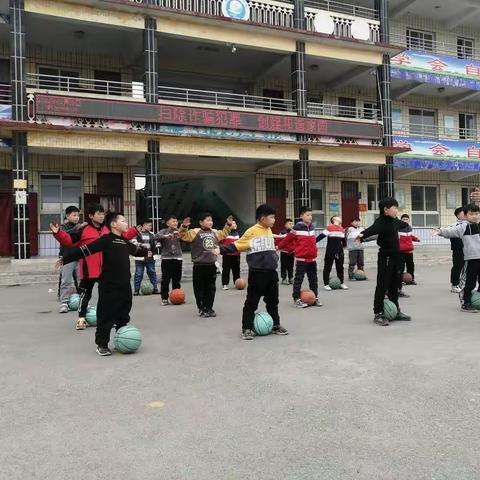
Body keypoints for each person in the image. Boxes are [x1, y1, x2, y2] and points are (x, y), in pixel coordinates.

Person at [56, 212, 148, 356]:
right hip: (109, 285)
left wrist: (148, 251)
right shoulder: (105, 240)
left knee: (124, 314)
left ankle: (120, 338)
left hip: (124, 285)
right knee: (106, 315)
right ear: (113, 224)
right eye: (123, 221)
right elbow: (85, 250)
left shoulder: (124, 241)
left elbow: (137, 251)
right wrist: (65, 259)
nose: (126, 224)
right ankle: (102, 344)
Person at [50, 203, 139, 330]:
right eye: (98, 214)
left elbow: (122, 238)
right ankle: (81, 318)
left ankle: (112, 318)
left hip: (106, 270)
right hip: (88, 269)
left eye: (103, 213)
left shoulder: (108, 229)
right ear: (91, 216)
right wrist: (58, 233)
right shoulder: (83, 230)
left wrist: (135, 230)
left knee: (110, 297)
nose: (101, 216)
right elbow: (69, 240)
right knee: (85, 295)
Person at [217, 204, 288, 340]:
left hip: (272, 273)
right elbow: (237, 245)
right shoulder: (251, 232)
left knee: (273, 301)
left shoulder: (268, 230)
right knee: (252, 302)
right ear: (262, 218)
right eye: (271, 217)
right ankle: (247, 328)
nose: (274, 220)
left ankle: (275, 325)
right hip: (257, 273)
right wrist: (220, 250)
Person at [357, 197, 411, 326]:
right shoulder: (381, 221)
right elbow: (373, 229)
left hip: (396, 257)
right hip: (385, 257)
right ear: (386, 210)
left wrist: (405, 223)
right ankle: (378, 313)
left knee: (394, 285)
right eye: (395, 208)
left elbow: (403, 225)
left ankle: (396, 310)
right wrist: (362, 234)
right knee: (383, 285)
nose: (397, 210)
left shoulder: (395, 221)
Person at [179, 213, 232, 317]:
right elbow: (182, 235)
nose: (210, 222)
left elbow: (224, 233)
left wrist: (228, 225)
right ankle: (202, 308)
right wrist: (184, 226)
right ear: (201, 222)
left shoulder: (215, 232)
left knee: (211, 288)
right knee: (199, 289)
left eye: (211, 220)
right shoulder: (195, 232)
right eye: (207, 220)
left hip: (211, 265)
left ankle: (209, 308)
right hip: (199, 265)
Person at [434, 204, 480, 313]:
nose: (474, 216)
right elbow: (451, 231)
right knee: (470, 282)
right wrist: (440, 231)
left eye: (477, 213)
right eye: (471, 214)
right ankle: (466, 303)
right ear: (465, 215)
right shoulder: (463, 226)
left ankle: (476, 298)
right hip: (471, 259)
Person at [276, 207, 322, 308]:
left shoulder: (312, 227)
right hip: (302, 260)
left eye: (311, 215)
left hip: (312, 259)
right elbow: (287, 239)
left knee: (313, 279)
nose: (310, 217)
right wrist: (278, 247)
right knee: (298, 279)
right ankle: (296, 298)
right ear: (301, 216)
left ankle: (315, 297)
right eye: (308, 215)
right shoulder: (296, 228)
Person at [57, 206, 81, 314]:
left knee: (81, 280)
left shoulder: (79, 227)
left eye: (78, 215)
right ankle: (64, 303)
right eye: (74, 215)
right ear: (67, 216)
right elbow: (65, 235)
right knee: (66, 280)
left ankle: (82, 301)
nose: (77, 218)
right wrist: (77, 229)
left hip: (79, 255)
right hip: (67, 257)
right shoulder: (63, 227)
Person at [156, 215, 183, 306]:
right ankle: (164, 298)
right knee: (166, 279)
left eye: (176, 221)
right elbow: (155, 237)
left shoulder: (179, 231)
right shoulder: (163, 231)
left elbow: (187, 239)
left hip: (178, 257)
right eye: (173, 221)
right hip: (167, 258)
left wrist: (180, 236)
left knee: (177, 279)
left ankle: (177, 297)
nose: (175, 223)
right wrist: (165, 236)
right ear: (167, 223)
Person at [317, 215, 348, 291]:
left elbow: (343, 240)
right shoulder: (329, 228)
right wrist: (313, 242)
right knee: (328, 267)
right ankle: (326, 284)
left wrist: (344, 245)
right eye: (338, 217)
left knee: (340, 267)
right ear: (334, 220)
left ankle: (341, 283)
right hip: (330, 251)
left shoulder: (341, 229)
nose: (340, 218)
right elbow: (321, 236)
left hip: (339, 251)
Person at [132, 220, 159, 296]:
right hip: (140, 257)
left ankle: (155, 288)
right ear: (144, 225)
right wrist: (141, 245)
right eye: (149, 225)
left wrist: (156, 244)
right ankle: (136, 290)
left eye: (151, 226)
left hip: (150, 257)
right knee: (138, 273)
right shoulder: (137, 233)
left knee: (152, 272)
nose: (150, 227)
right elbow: (133, 242)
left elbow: (156, 244)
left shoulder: (152, 234)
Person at [398, 214, 420, 294]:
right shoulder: (398, 228)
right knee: (401, 267)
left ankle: (411, 279)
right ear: (401, 220)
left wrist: (416, 239)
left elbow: (410, 237)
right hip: (401, 252)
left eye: (407, 219)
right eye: (403, 219)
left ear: (409, 220)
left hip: (409, 251)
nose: (405, 220)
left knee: (411, 265)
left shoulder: (409, 228)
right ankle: (401, 280)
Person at [220, 218, 241, 290]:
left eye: (235, 223)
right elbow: (221, 242)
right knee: (226, 270)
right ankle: (225, 284)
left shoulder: (238, 234)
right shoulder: (225, 233)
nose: (235, 225)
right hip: (227, 255)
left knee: (236, 270)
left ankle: (237, 283)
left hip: (236, 255)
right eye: (233, 223)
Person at [450, 207, 465, 294]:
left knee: (465, 267)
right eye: (464, 213)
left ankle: (462, 284)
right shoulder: (454, 226)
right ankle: (454, 284)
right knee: (457, 266)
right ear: (458, 215)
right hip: (458, 249)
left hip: (468, 249)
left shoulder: (468, 224)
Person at [345, 217, 364, 281]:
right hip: (352, 249)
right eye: (355, 221)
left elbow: (364, 237)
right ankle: (351, 276)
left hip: (360, 248)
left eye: (358, 221)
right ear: (351, 223)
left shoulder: (362, 229)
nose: (357, 223)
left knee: (361, 263)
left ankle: (362, 275)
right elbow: (346, 237)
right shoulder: (349, 229)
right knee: (352, 263)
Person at [279, 218, 295, 285]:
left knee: (291, 266)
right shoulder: (282, 233)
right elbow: (278, 241)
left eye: (292, 224)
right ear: (285, 225)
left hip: (292, 252)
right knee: (284, 266)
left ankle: (291, 278)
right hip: (284, 252)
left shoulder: (294, 232)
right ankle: (284, 279)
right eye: (289, 224)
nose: (291, 225)